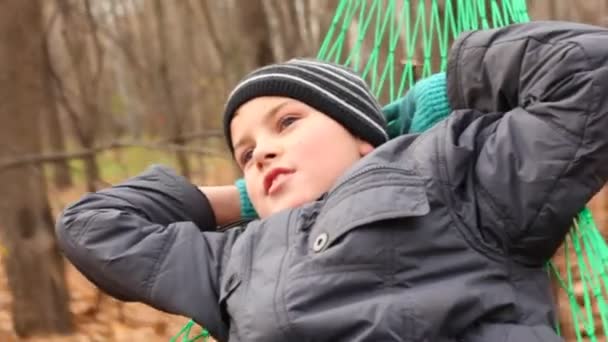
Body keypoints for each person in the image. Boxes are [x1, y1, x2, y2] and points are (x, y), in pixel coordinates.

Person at [56, 21, 608, 342]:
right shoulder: (232, 262)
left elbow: (588, 75)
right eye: (246, 153)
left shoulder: (454, 174)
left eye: (288, 122)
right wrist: (243, 200)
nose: (263, 150)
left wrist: (452, 91)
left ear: (364, 135)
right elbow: (93, 228)